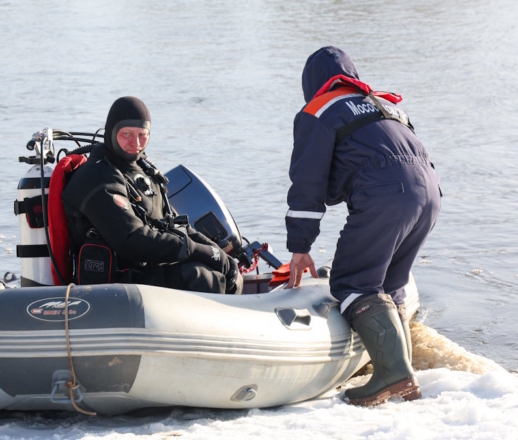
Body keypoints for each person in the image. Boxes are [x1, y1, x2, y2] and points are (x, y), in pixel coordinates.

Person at [284, 47, 441, 406]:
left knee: (353, 281)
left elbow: (308, 185)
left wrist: (300, 247)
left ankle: (393, 376)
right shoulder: (386, 106)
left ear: (312, 84)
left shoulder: (318, 110)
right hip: (430, 193)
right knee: (389, 284)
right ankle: (403, 373)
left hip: (388, 194)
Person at [62, 96, 242, 294]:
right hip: (114, 284)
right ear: (111, 132)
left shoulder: (143, 170)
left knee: (229, 273)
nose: (136, 143)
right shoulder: (97, 177)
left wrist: (218, 255)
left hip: (146, 270)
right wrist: (196, 251)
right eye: (127, 134)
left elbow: (176, 224)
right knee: (202, 277)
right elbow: (131, 240)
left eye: (143, 135)